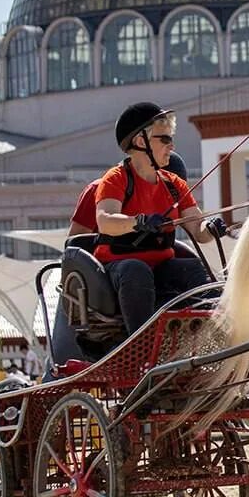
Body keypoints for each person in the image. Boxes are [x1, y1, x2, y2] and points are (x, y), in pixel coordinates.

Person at [94, 103, 228, 333]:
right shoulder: (116, 179)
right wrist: (139, 222)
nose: (171, 146)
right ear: (139, 141)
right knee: (136, 271)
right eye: (164, 139)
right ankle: (141, 345)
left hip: (162, 267)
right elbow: (105, 220)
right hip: (118, 269)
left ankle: (220, 334)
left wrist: (211, 227)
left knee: (194, 269)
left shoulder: (174, 185)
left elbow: (198, 229)